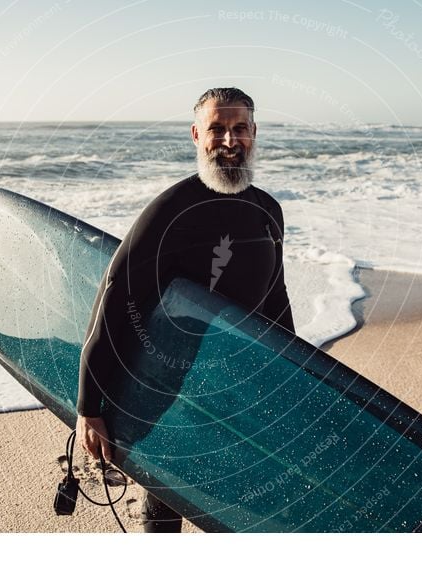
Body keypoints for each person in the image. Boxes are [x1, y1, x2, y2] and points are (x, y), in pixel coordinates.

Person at [76, 87, 295, 532]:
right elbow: (116, 299)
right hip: (169, 386)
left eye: (239, 129)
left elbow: (276, 301)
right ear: (197, 135)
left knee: (243, 503)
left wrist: (293, 381)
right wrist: (89, 405)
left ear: (254, 134)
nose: (229, 141)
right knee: (166, 498)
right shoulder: (172, 211)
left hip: (237, 385)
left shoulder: (267, 211)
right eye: (217, 129)